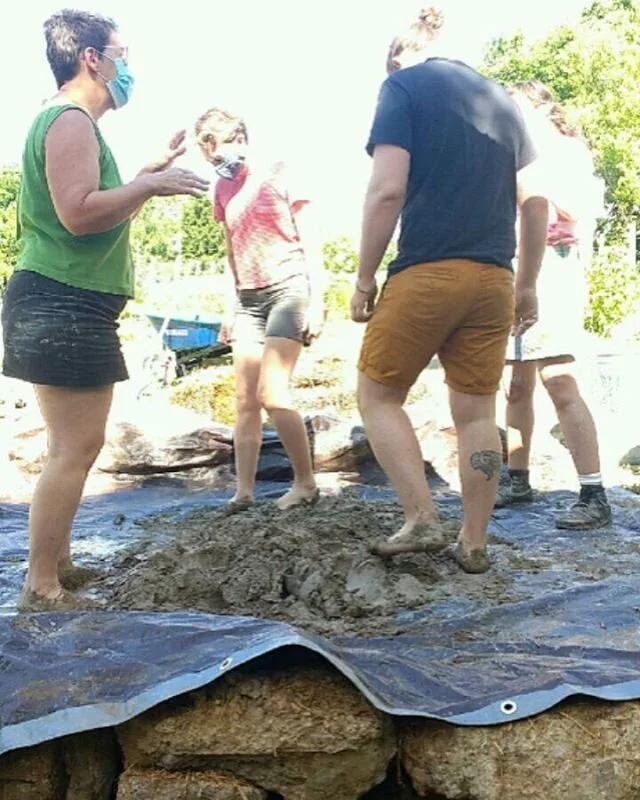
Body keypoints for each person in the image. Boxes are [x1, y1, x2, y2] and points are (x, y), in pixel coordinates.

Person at [2, 9, 209, 612]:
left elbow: (94, 212)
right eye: (121, 53)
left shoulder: (69, 123)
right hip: (62, 302)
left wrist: (145, 173)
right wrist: (147, 187)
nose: (127, 66)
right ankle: (42, 586)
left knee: (72, 445)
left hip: (65, 299)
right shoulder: (69, 120)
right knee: (76, 448)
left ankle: (57, 564)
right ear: (91, 57)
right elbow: (78, 212)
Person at [350, 7, 549, 573]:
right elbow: (535, 200)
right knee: (476, 411)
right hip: (494, 279)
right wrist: (528, 283)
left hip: (429, 272)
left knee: (379, 395)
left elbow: (387, 190)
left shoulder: (402, 88)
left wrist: (364, 278)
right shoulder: (503, 101)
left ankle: (420, 519)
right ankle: (475, 542)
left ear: (396, 56)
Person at [194, 107, 325, 511]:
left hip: (288, 289)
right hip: (248, 300)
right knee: (245, 398)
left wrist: (318, 300)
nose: (219, 160)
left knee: (273, 390)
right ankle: (244, 492)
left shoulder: (278, 172)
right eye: (210, 156)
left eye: (223, 148)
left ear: (241, 140)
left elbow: (311, 235)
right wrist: (229, 307)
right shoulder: (222, 191)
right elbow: (230, 251)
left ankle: (305, 483)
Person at [496, 81, 611, 529]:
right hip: (514, 270)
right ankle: (517, 479)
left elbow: (579, 209)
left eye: (517, 105)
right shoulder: (512, 153)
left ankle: (594, 493)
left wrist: (537, 189)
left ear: (541, 108)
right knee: (516, 386)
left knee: (559, 381)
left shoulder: (567, 151)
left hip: (555, 271)